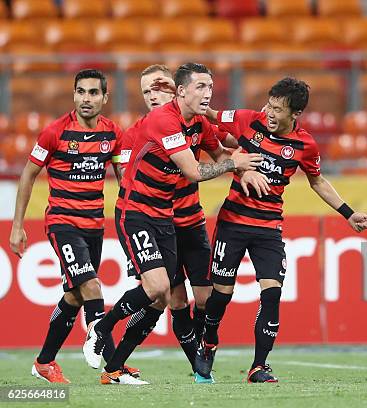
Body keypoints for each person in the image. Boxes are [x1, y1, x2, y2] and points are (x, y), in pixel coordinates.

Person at [82, 63, 266, 385]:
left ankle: (119, 363)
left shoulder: (196, 122)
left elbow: (226, 147)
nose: (208, 92)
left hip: (169, 216)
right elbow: (195, 171)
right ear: (181, 91)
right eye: (201, 87)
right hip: (136, 212)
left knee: (174, 296)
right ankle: (104, 329)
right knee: (160, 291)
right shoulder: (161, 123)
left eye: (210, 87)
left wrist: (242, 166)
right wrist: (232, 164)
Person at [193, 77, 367, 383]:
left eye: (278, 109)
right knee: (221, 296)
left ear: (296, 114)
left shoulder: (305, 145)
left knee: (272, 294)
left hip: (268, 229)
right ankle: (209, 341)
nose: (271, 113)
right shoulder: (247, 120)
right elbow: (211, 114)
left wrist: (348, 212)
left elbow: (317, 180)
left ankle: (258, 367)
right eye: (270, 105)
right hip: (233, 224)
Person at [9, 69, 139, 383]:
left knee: (76, 296)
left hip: (94, 226)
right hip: (62, 223)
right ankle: (113, 367)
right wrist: (17, 226)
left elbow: (125, 181)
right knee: (93, 288)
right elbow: (27, 175)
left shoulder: (113, 135)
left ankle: (44, 363)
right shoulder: (54, 132)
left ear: (105, 97)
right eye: (81, 92)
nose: (86, 99)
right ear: (74, 94)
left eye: (93, 93)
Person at [120, 64, 242, 377]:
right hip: (159, 222)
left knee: (206, 297)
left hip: (192, 219)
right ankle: (198, 368)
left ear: (175, 90)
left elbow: (225, 145)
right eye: (146, 90)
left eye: (159, 86)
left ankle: (199, 352)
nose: (153, 95)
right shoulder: (135, 133)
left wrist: (248, 154)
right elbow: (125, 179)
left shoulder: (195, 121)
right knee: (172, 299)